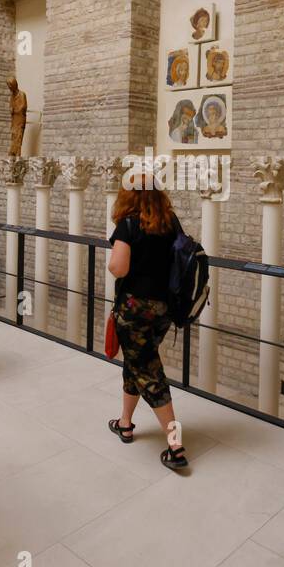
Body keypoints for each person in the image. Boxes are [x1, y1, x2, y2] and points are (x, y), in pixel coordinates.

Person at [106, 181, 188, 472]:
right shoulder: (170, 221)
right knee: (137, 362)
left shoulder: (129, 224)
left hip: (135, 309)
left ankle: (175, 446)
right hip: (164, 309)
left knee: (149, 373)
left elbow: (119, 268)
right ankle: (125, 424)